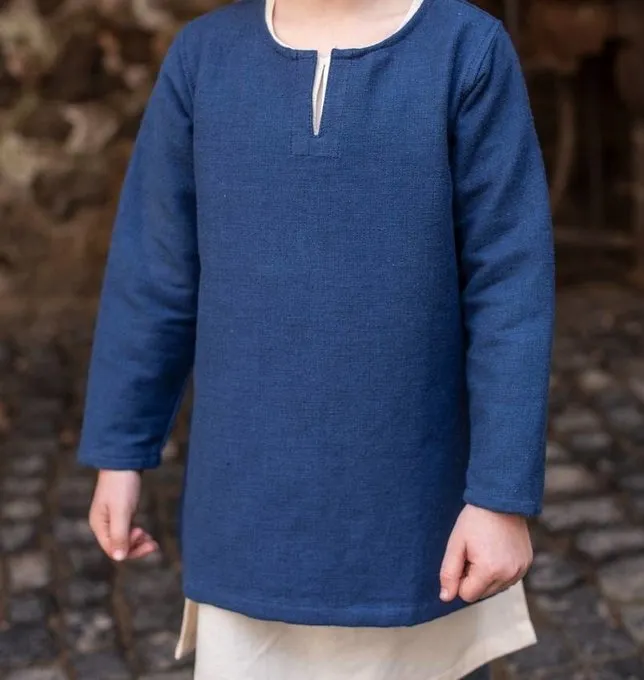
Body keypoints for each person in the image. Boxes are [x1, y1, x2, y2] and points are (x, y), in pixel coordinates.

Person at [78, 0, 555, 677]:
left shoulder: (466, 50)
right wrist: (121, 452)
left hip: (415, 516)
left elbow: (510, 288)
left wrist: (500, 497)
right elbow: (155, 272)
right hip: (246, 511)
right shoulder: (204, 58)